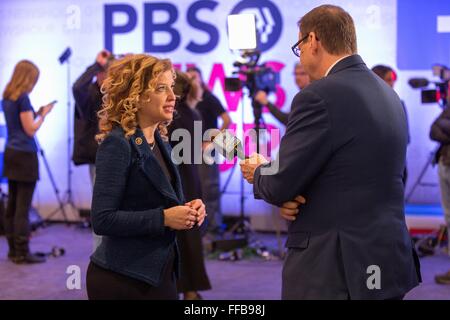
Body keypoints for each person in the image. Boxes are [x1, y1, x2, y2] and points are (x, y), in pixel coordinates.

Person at [240, 5, 421, 299]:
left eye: (298, 46)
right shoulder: (387, 93)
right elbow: (360, 173)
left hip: (336, 268)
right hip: (387, 259)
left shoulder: (317, 95)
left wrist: (259, 171)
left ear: (312, 41)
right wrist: (300, 199)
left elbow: (278, 183)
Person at [86, 54, 206, 300]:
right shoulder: (117, 144)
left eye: (171, 88)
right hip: (123, 279)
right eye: (162, 89)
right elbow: (102, 219)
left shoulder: (161, 143)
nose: (173, 97)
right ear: (136, 96)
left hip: (160, 272)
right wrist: (163, 218)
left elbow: (160, 202)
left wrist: (190, 211)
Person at [2, 60, 55, 264]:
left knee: (13, 205)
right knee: (22, 207)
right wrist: (43, 116)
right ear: (28, 78)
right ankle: (23, 252)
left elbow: (18, 123)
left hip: (11, 152)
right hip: (25, 155)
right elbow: (30, 129)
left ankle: (13, 250)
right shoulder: (23, 98)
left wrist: (35, 113)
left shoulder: (7, 96)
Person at [169, 70, 211, 300]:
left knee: (179, 238)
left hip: (178, 181)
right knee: (191, 238)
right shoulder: (194, 114)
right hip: (192, 179)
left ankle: (182, 288)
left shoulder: (172, 118)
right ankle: (192, 290)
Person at [72, 49, 112, 251]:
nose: (108, 77)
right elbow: (77, 86)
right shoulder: (89, 98)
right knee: (102, 208)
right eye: (104, 72)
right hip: (98, 159)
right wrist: (96, 64)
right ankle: (100, 255)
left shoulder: (117, 96)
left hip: (117, 156)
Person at [186, 66, 231, 236]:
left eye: (195, 77)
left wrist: (212, 140)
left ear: (201, 80)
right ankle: (201, 228)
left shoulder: (209, 98)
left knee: (209, 189)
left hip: (206, 150)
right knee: (195, 189)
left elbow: (227, 119)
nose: (192, 81)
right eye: (189, 78)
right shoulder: (187, 101)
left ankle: (214, 228)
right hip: (189, 149)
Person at [372, 64, 410, 185]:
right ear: (378, 79)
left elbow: (406, 136)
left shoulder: (400, 103)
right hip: (375, 163)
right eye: (389, 80)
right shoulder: (367, 104)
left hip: (397, 162)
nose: (392, 83)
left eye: (393, 80)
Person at [429, 101, 450, 285]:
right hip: (444, 162)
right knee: (449, 217)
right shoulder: (448, 108)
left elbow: (440, 126)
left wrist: (444, 125)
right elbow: (433, 129)